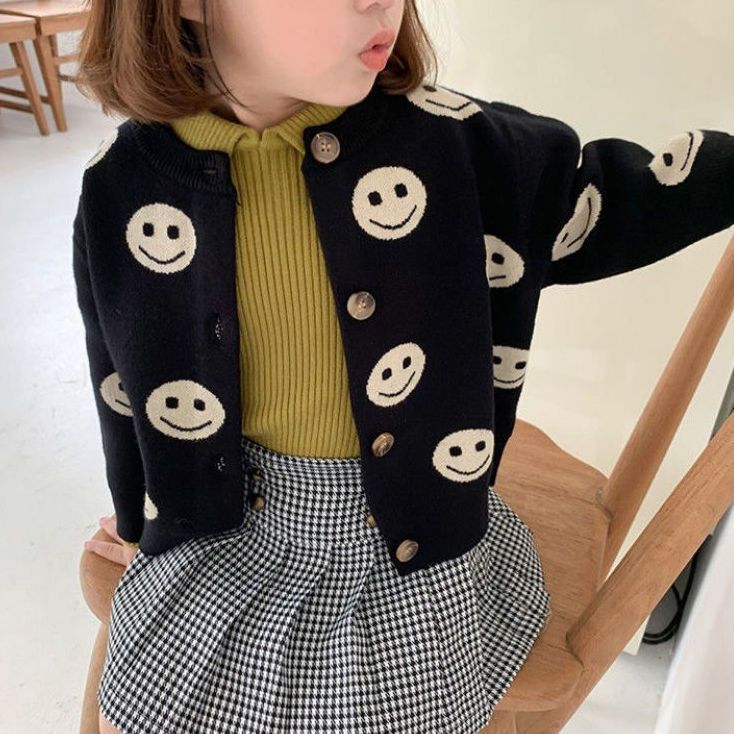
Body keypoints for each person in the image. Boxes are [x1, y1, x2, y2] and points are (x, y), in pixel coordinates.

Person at [71, 1, 734, 733]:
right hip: (230, 524)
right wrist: (141, 515)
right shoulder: (119, 188)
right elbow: (122, 383)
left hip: (415, 529)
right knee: (147, 703)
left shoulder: (461, 150)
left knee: (403, 710)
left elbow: (619, 200)